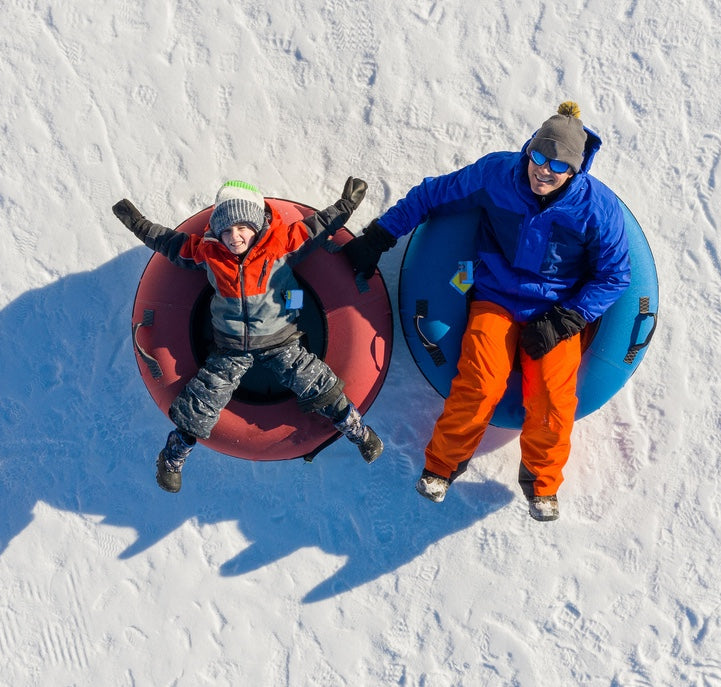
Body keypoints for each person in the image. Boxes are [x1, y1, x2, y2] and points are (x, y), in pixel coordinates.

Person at [343, 101, 630, 521]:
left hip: (556, 309)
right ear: (528, 149)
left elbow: (616, 274)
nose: (543, 170)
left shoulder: (596, 208)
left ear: (575, 170)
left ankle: (542, 484)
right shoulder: (498, 174)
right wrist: (380, 235)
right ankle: (441, 467)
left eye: (557, 165)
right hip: (495, 297)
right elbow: (433, 194)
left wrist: (567, 318)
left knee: (552, 395)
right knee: (480, 382)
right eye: (537, 156)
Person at [113, 178, 384, 492]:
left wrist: (346, 205)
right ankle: (172, 459)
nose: (234, 236)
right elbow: (168, 244)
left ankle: (359, 434)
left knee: (317, 383)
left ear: (257, 225)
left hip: (281, 341)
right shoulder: (208, 253)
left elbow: (317, 228)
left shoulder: (281, 244)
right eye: (226, 230)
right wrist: (137, 223)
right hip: (230, 349)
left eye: (242, 227)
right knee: (202, 402)